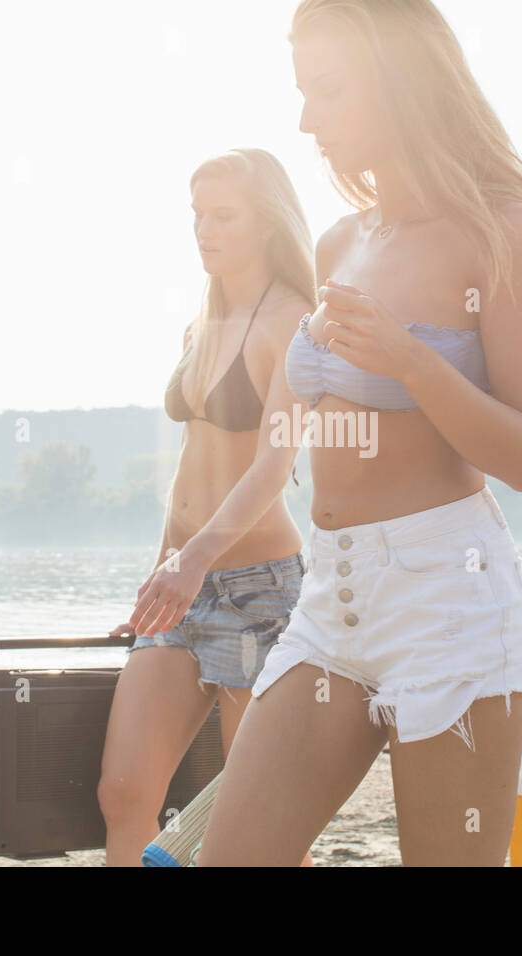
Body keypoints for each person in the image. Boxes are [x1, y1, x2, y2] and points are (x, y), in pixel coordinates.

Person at [197, 0, 522, 866]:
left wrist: (410, 362)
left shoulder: (499, 233)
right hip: (333, 600)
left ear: (398, 85)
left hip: (449, 601)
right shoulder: (337, 244)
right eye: (302, 93)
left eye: (327, 92)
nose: (305, 120)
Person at [97, 148, 315, 866]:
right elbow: (189, 466)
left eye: (224, 215)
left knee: (255, 821)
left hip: (257, 594)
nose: (204, 229)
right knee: (124, 793)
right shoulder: (203, 322)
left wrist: (190, 562)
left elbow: (271, 468)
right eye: (197, 214)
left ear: (267, 224)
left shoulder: (291, 321)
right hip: (180, 589)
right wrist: (160, 571)